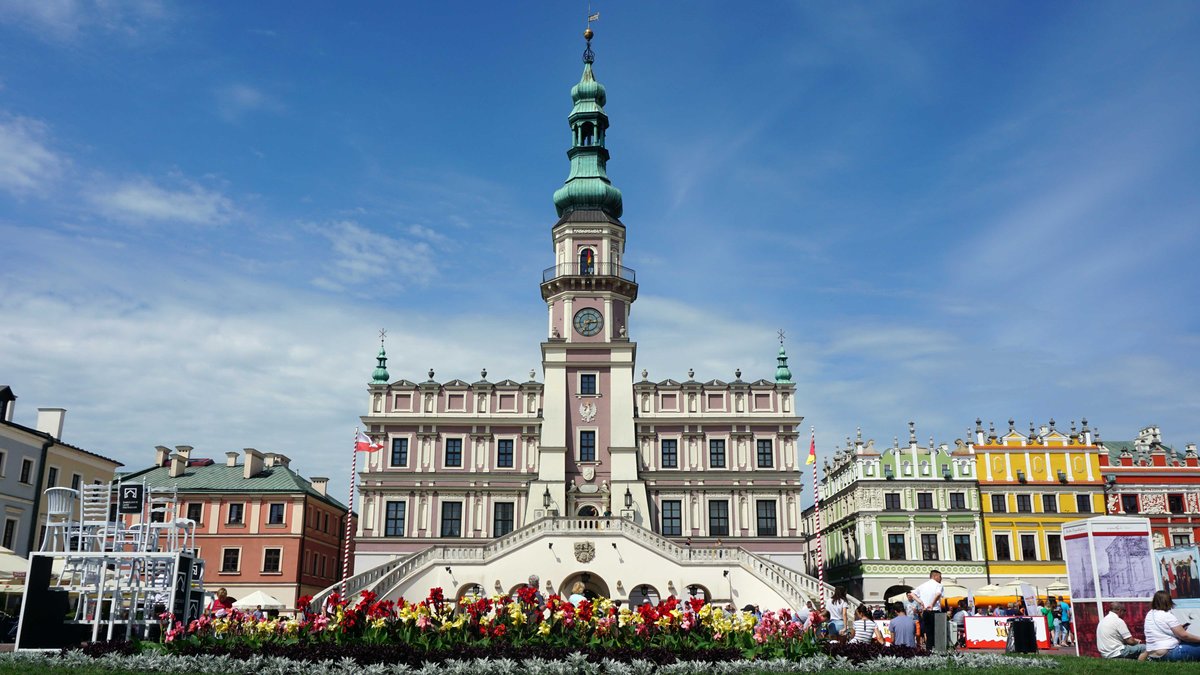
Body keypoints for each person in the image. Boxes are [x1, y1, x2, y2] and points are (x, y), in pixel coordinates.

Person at [1145, 590, 1200, 661]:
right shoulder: (1168, 615)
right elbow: (1184, 636)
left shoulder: (1150, 614)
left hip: (1153, 654)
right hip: (1168, 652)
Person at [914, 570, 944, 649]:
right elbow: (938, 594)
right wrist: (932, 604)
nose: (941, 578)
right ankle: (937, 649)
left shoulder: (923, 585)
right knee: (937, 632)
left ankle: (929, 649)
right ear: (935, 576)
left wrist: (920, 602)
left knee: (928, 632)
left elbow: (912, 594)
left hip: (925, 611)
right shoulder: (938, 585)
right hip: (935, 611)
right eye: (940, 576)